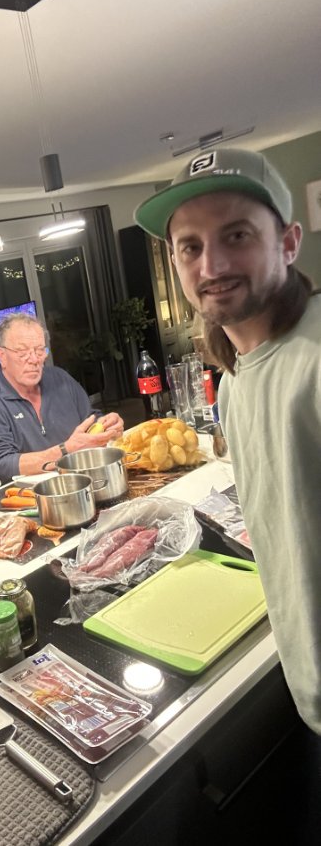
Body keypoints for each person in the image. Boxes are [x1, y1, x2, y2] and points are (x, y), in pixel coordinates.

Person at [134, 146, 321, 741]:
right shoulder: (237, 383)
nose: (211, 264)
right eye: (190, 246)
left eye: (236, 235)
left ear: (288, 242)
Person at [0, 312, 124, 481]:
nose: (34, 359)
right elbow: (2, 465)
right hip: (30, 494)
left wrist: (107, 426)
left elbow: (90, 420)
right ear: (2, 356)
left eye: (39, 350)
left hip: (84, 481)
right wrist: (66, 450)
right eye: (22, 352)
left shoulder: (60, 378)